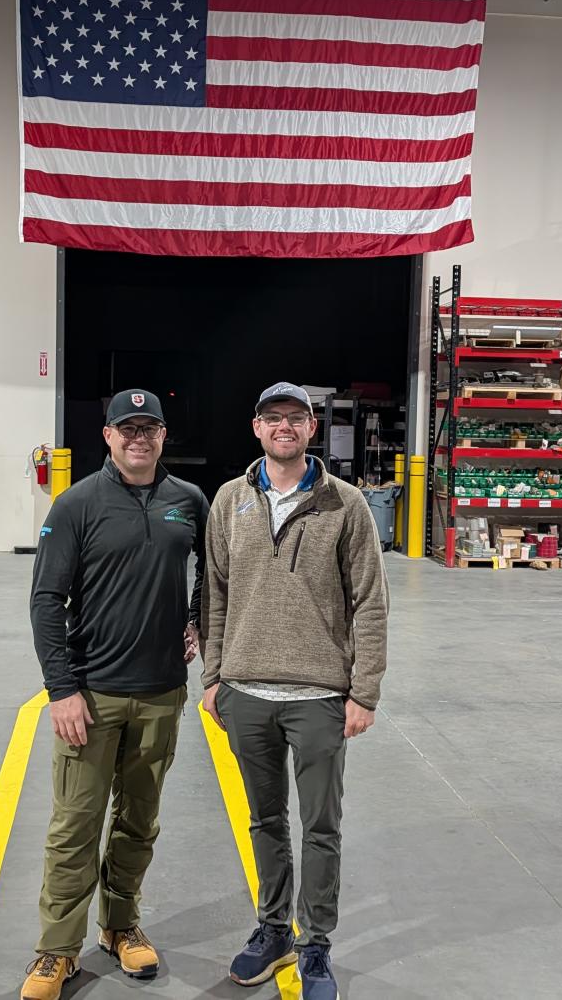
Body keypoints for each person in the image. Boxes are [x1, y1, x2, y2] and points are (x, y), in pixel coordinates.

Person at [200, 382, 389, 1000]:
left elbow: (369, 604)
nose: (285, 427)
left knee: (321, 827)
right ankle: (273, 930)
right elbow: (216, 595)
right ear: (257, 427)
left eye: (296, 418)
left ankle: (317, 947)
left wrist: (364, 692)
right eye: (273, 417)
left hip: (318, 698)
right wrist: (214, 677)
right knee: (266, 822)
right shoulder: (230, 500)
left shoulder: (347, 503)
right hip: (247, 694)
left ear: (312, 428)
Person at [21, 389, 207, 1000]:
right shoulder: (76, 504)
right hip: (92, 695)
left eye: (148, 427)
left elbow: (215, 571)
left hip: (161, 694)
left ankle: (120, 925)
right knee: (75, 824)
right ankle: (56, 949)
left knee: (137, 821)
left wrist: (198, 618)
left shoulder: (188, 502)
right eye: (126, 428)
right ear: (106, 436)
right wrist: (61, 691)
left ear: (162, 436)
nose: (138, 438)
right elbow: (46, 601)